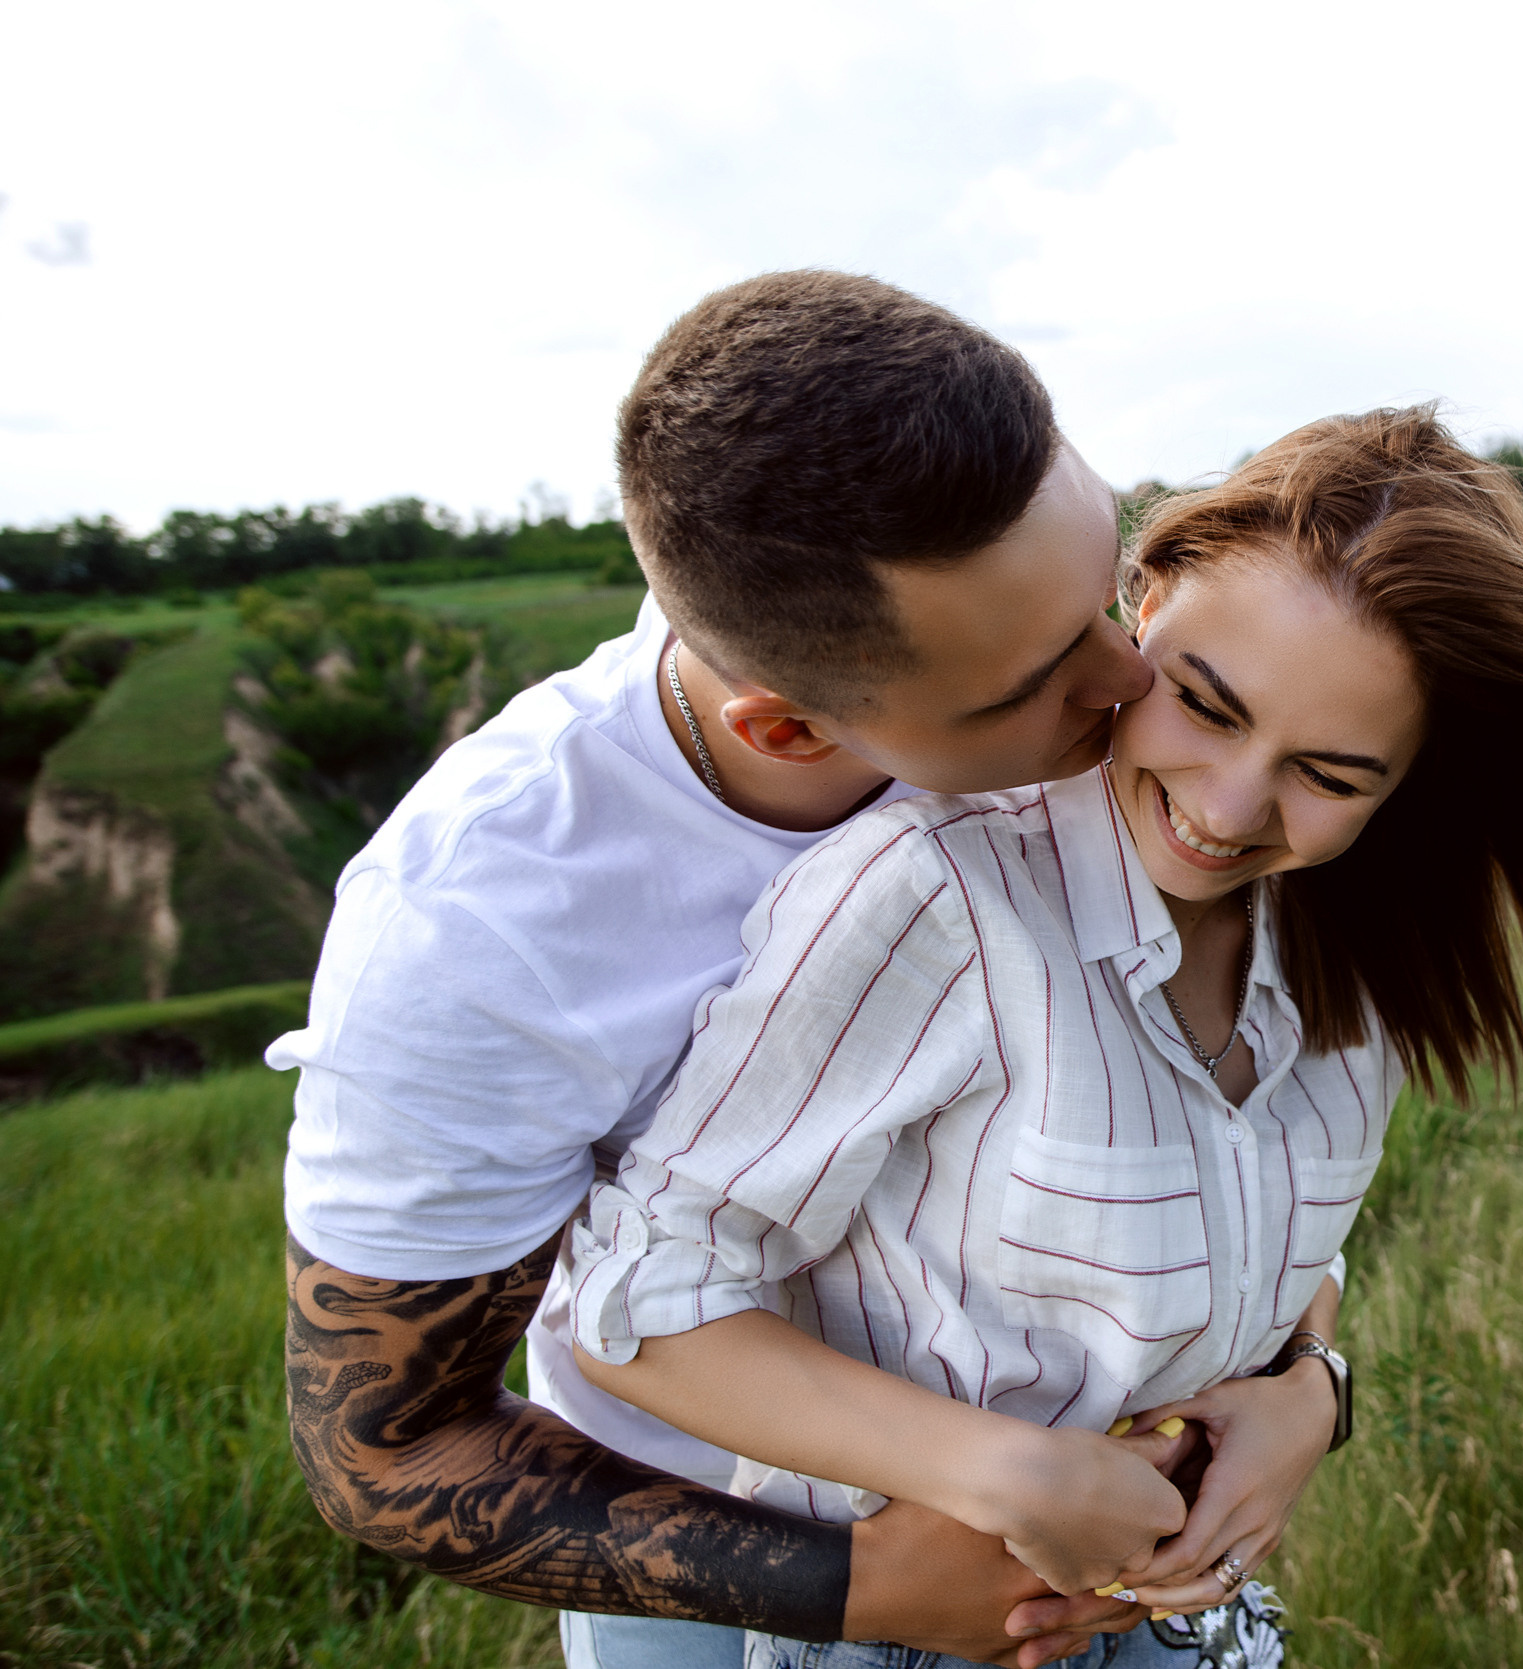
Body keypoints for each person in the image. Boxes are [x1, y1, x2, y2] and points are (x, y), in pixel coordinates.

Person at [561, 405, 1523, 1669]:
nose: (1228, 811)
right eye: (1207, 706)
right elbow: (640, 1297)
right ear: (1144, 596)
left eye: (1331, 774)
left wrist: (1309, 1392)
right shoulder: (936, 897)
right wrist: (1005, 1472)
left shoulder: (1360, 952)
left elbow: (1255, 1233)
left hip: (1183, 1633)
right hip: (903, 1636)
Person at [274, 270, 1187, 1669]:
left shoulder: (1093, 720)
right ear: (792, 731)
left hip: (1117, 1522)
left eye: (1108, 590)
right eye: (1032, 680)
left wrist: (1308, 1383)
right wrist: (873, 1587)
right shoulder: (481, 925)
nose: (1130, 682)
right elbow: (386, 1447)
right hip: (752, 1594)